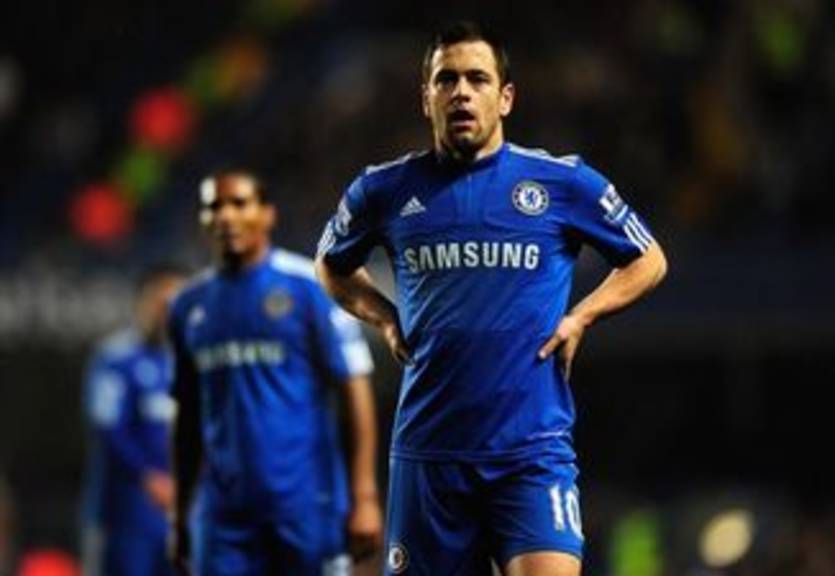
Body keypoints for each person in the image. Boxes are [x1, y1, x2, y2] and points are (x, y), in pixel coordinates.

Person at [315, 20, 668, 576]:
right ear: (426, 98)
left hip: (531, 451)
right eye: (446, 79)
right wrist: (382, 318)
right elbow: (331, 265)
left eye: (477, 79)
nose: (461, 92)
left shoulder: (563, 183)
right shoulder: (382, 190)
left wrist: (581, 317)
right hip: (430, 456)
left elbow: (648, 259)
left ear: (505, 98)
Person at [168, 170, 382, 576]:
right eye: (214, 206)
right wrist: (180, 513)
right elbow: (188, 415)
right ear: (202, 220)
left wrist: (365, 496)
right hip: (223, 516)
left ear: (267, 214)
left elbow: (354, 387)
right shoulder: (188, 306)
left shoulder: (308, 287)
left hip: (307, 506)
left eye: (239, 204)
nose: (226, 216)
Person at [81, 264, 186, 576]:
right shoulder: (116, 358)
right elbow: (108, 428)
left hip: (179, 514)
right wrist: (148, 477)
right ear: (142, 303)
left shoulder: (191, 364)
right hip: (125, 513)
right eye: (160, 303)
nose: (166, 313)